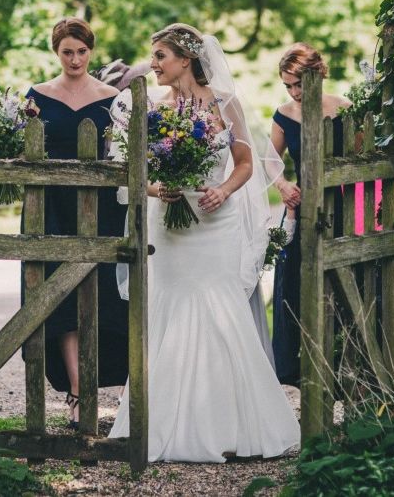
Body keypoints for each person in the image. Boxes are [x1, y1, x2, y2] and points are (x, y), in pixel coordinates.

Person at [108, 23, 299, 462]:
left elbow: (247, 161)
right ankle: (163, 422)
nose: (152, 65)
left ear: (186, 59)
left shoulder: (225, 103)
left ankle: (231, 424)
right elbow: (132, 173)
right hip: (169, 226)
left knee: (220, 310)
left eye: (160, 56)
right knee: (169, 308)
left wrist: (224, 190)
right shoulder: (150, 107)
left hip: (216, 220)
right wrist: (159, 190)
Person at [21, 17, 128, 428]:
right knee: (61, 298)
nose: (75, 59)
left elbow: (122, 152)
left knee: (104, 295)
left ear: (91, 51)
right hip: (52, 208)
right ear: (56, 52)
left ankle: (114, 390)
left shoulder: (112, 98)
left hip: (103, 208)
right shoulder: (37, 97)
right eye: (67, 51)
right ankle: (79, 392)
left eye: (82, 51)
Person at [270, 42, 351, 387]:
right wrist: (284, 187)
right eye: (287, 85)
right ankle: (298, 369)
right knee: (296, 286)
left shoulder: (344, 107)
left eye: (298, 84)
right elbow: (267, 162)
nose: (293, 92)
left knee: (343, 288)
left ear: (317, 73)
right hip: (303, 212)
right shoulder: (284, 115)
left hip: (344, 208)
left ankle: (345, 365)